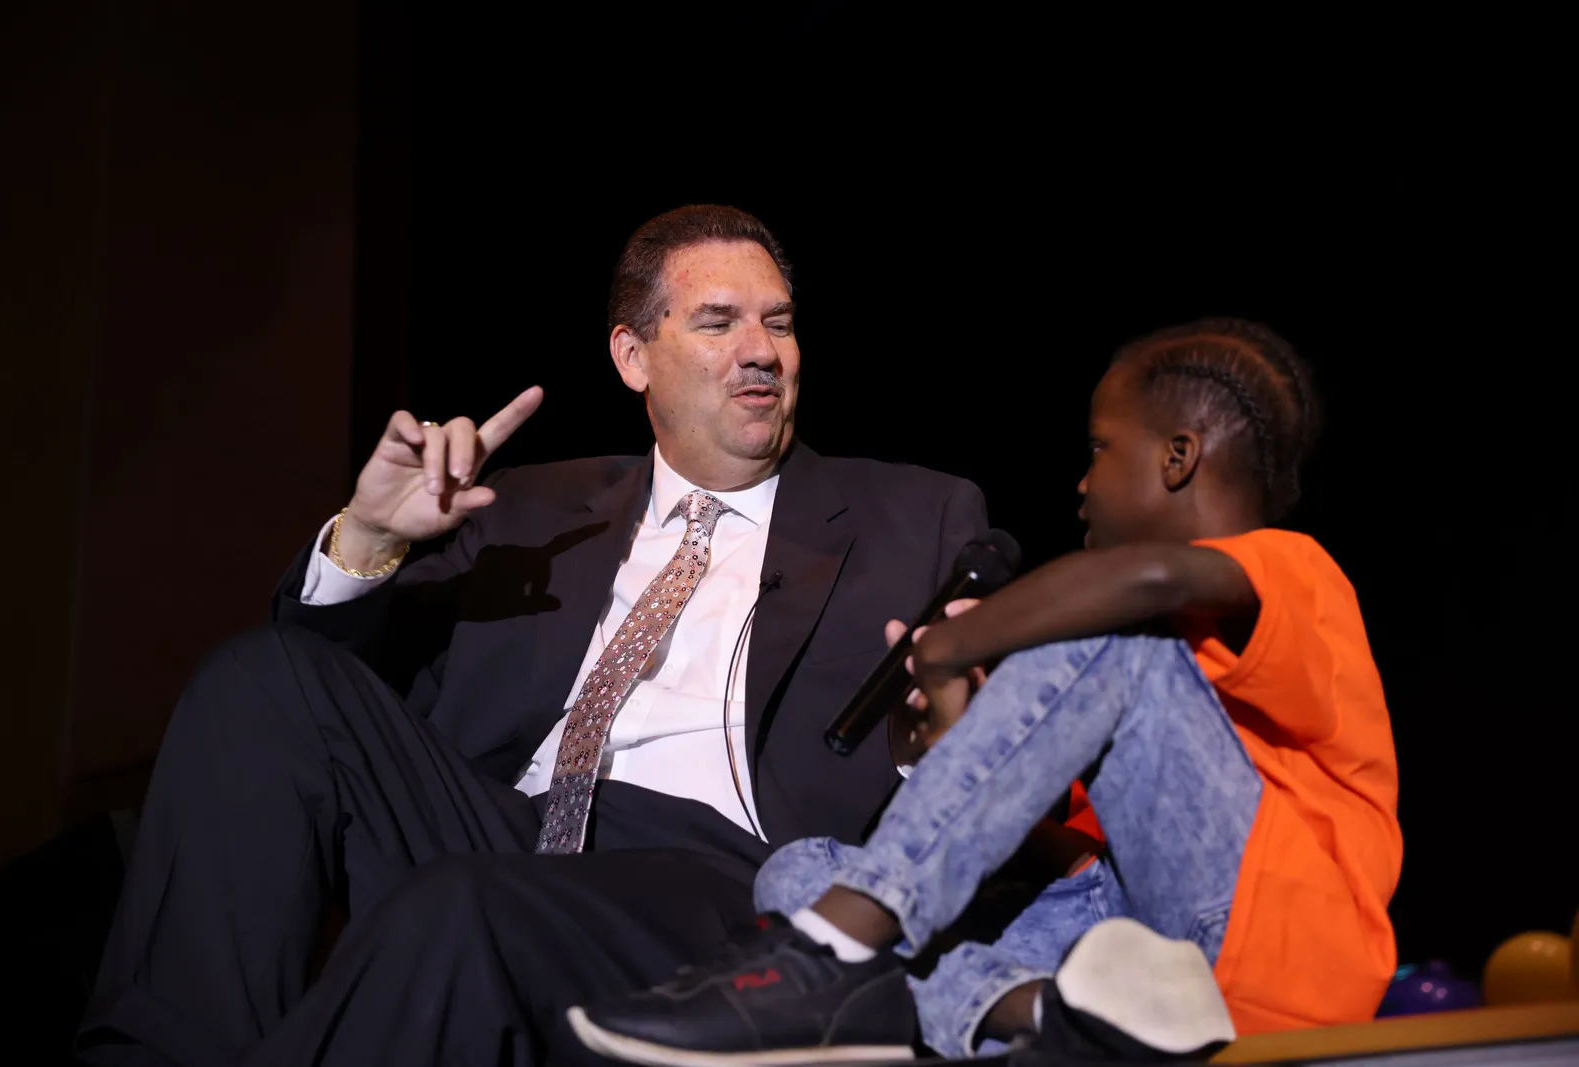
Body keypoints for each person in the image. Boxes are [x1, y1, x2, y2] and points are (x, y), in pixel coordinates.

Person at [77, 205, 991, 1066]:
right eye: (718, 323)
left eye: (779, 323)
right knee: (260, 675)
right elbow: (326, 690)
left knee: (459, 909)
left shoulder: (916, 516)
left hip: (717, 870)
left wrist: (938, 735)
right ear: (634, 357)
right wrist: (367, 539)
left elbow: (957, 749)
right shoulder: (525, 507)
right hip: (502, 821)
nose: (761, 352)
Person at [569, 318, 1403, 1064]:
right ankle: (1057, 1015)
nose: (1081, 482)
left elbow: (1145, 577)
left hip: (1271, 947)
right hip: (1140, 962)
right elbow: (1057, 856)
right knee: (799, 867)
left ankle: (829, 959)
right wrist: (960, 732)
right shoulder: (1129, 684)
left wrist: (957, 643)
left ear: (1179, 456)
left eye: (1101, 449)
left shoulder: (1293, 572)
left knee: (1103, 634)